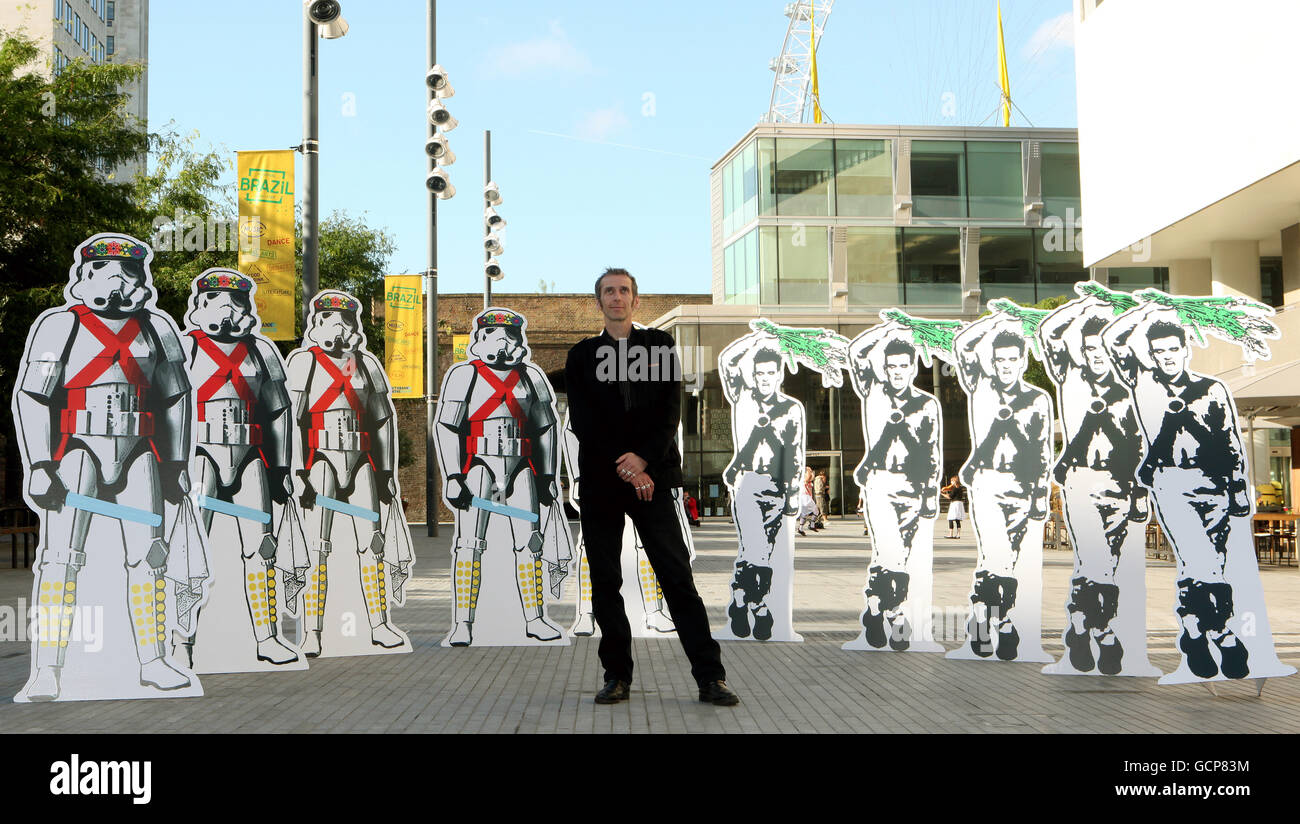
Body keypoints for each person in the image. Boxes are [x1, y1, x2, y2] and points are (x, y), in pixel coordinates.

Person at [14, 234, 203, 701]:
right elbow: (33, 396)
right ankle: (47, 668)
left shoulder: (158, 328)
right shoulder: (60, 325)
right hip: (77, 448)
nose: (119, 278)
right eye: (106, 268)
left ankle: (155, 660)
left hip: (139, 450)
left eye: (130, 271)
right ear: (86, 274)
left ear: (142, 276)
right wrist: (40, 463)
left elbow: (177, 395)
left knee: (149, 557)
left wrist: (176, 460)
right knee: (59, 560)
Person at [565, 268, 738, 706]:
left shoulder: (659, 346)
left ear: (635, 301)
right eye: (609, 291)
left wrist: (643, 460)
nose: (617, 297)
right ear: (598, 301)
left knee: (677, 578)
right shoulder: (582, 355)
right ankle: (616, 676)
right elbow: (584, 422)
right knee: (606, 582)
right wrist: (625, 467)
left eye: (624, 291)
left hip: (654, 479)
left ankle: (710, 677)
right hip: (603, 483)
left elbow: (669, 410)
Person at [1103, 303, 1251, 679]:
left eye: (1173, 349)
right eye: (1160, 351)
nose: (1167, 357)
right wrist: (1148, 310)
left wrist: (1237, 487)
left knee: (1204, 561)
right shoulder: (1144, 383)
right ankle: (1222, 630)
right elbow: (1112, 339)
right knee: (1203, 558)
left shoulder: (1211, 388)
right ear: (1151, 355)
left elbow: (1230, 439)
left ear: (1185, 349)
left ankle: (1191, 626)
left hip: (1214, 483)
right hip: (1170, 481)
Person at [182, 269, 304, 669]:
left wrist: (281, 466)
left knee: (262, 547)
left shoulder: (262, 351)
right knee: (190, 547)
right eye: (217, 298)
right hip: (200, 454)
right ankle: (181, 640)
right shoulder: (184, 349)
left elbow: (278, 411)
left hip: (250, 454)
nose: (228, 307)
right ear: (200, 305)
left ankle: (267, 637)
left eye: (236, 299)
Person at [286, 291, 410, 657]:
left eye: (347, 319)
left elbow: (383, 418)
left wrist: (387, 470)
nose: (340, 326)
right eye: (331, 318)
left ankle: (380, 624)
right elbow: (292, 420)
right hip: (320, 460)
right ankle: (312, 632)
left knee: (373, 544)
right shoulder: (303, 364)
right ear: (317, 322)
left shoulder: (365, 364)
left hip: (361, 463)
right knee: (318, 547)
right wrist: (297, 470)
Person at [434, 307, 568, 647]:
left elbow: (546, 427)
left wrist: (549, 475)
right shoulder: (463, 375)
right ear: (480, 338)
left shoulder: (532, 376)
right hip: (479, 464)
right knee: (468, 544)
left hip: (521, 465)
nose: (504, 341)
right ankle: (463, 622)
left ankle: (536, 618)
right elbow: (446, 426)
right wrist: (452, 476)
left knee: (530, 544)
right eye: (494, 333)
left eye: (510, 335)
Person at [1038, 291, 1151, 676]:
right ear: (1082, 351)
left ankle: (1078, 622)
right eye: (1090, 348)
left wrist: (1139, 492)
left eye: (1104, 346)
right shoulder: (1070, 378)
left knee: (1097, 565)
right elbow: (1050, 333)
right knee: (1099, 563)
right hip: (1081, 480)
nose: (1097, 354)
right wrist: (1086, 307)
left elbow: (1139, 442)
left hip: (1121, 484)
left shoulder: (1130, 388)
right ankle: (1105, 633)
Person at [951, 312, 1052, 661]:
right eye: (1000, 360)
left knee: (1003, 558)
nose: (1007, 365)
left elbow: (1043, 450)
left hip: (1023, 486)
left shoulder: (1038, 399)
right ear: (991, 363)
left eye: (1013, 359)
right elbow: (964, 345)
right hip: (988, 481)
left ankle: (983, 614)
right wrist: (996, 319)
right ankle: (1004, 620)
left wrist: (1041, 494)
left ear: (1023, 360)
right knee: (999, 557)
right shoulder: (981, 387)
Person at [847, 323, 942, 651]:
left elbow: (933, 451)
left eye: (904, 365)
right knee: (891, 551)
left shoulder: (927, 404)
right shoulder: (874, 392)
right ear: (884, 369)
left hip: (914, 487)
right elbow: (857, 352)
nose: (898, 372)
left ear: (914, 368)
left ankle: (876, 604)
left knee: (899, 553)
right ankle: (895, 610)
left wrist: (931, 493)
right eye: (892, 366)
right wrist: (889, 328)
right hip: (881, 482)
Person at [718, 332, 805, 640]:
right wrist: (760, 337)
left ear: (780, 374)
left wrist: (794, 492)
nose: (765, 378)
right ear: (752, 376)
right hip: (748, 483)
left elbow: (795, 453)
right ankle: (758, 605)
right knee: (756, 549)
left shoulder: (791, 409)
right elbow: (729, 361)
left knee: (756, 552)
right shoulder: (743, 398)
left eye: (771, 372)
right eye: (760, 373)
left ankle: (740, 598)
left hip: (778, 488)